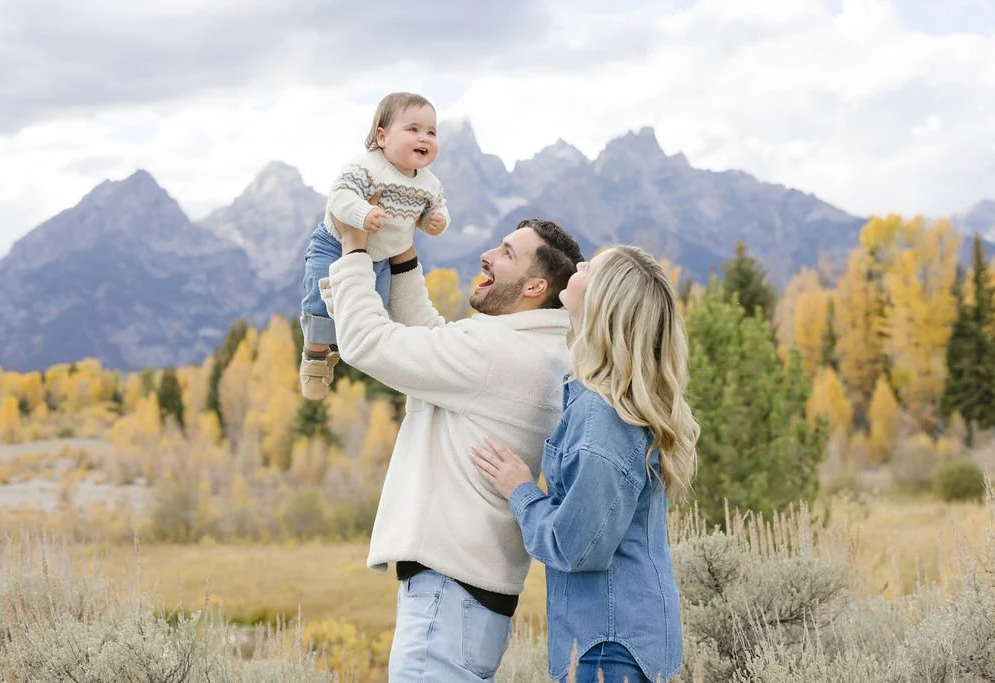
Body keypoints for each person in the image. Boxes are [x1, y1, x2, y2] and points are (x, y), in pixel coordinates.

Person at [319, 204, 584, 681]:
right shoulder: (538, 350)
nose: (486, 255)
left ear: (534, 287)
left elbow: (366, 343)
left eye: (505, 253)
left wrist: (354, 249)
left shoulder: (495, 355)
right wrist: (402, 254)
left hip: (447, 598)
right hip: (472, 601)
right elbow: (434, 342)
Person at [470, 245, 700, 683]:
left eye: (588, 267)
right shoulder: (601, 401)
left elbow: (576, 547)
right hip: (622, 640)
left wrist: (520, 489)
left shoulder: (601, 416)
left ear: (602, 302)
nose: (577, 265)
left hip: (610, 649)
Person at [299, 91, 449, 400]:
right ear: (381, 136)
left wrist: (435, 219)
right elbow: (340, 196)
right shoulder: (367, 167)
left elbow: (436, 206)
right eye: (413, 129)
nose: (424, 138)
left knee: (374, 308)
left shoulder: (429, 183)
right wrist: (362, 213)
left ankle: (341, 342)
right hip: (334, 241)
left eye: (431, 132)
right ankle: (315, 357)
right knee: (319, 300)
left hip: (381, 256)